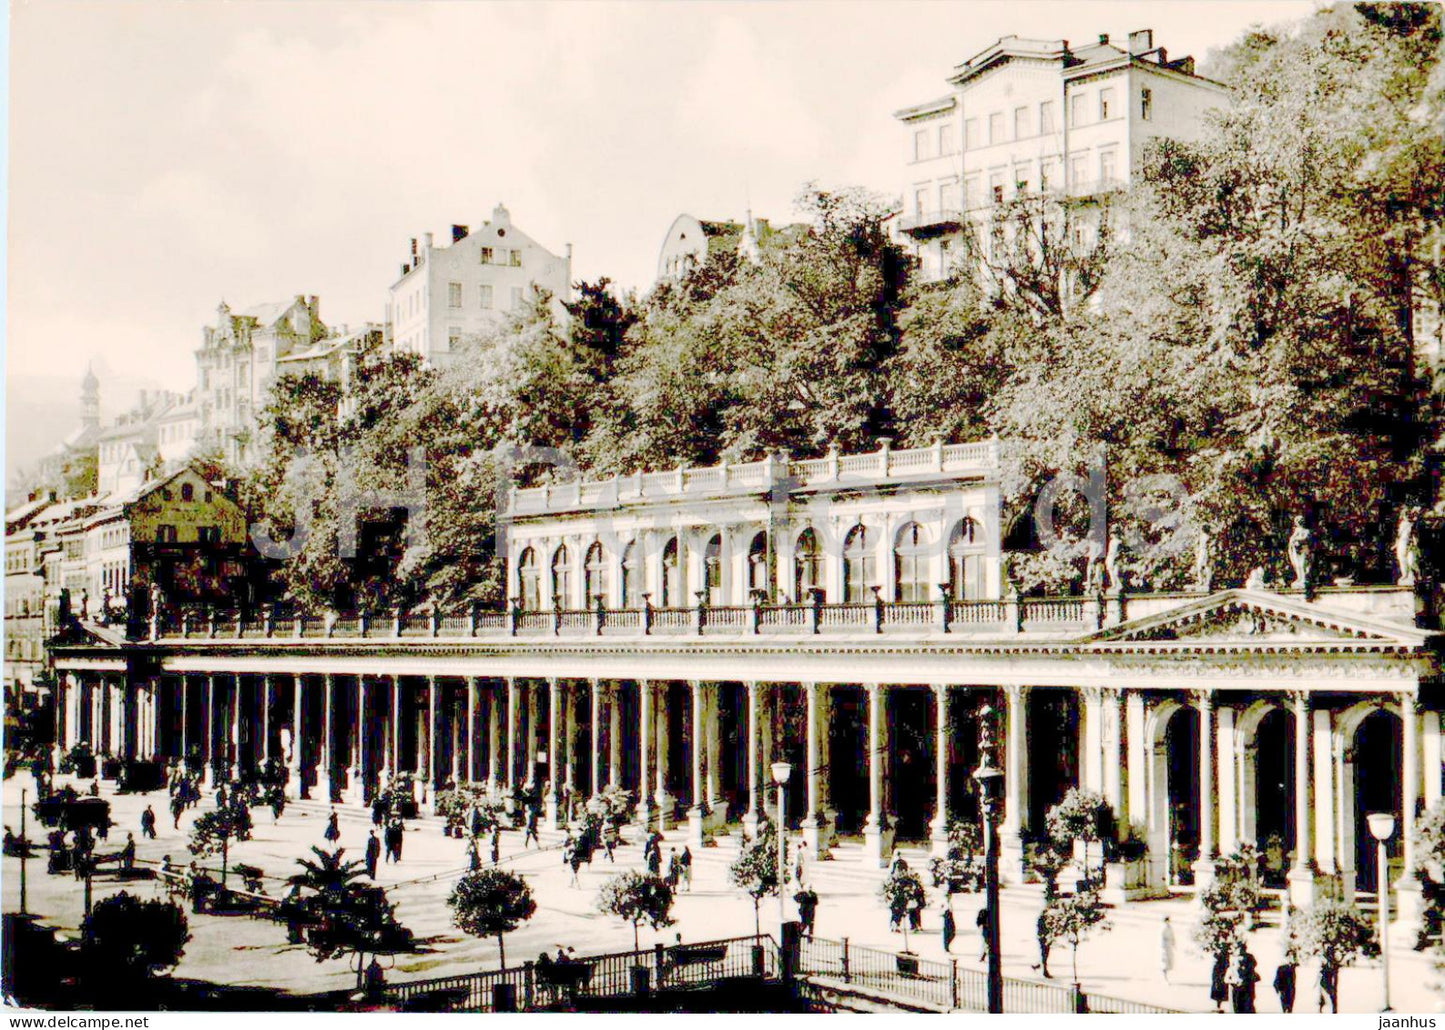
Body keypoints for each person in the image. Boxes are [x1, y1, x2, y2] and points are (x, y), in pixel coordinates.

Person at [1209, 948, 1231, 1013]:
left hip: (1220, 978)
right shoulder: (1221, 961)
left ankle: (1218, 1006)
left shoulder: (1223, 960)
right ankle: (1218, 1006)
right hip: (1218, 978)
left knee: (1219, 993)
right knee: (1218, 993)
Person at [1159, 916, 1175, 983]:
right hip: (1165, 946)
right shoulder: (1163, 928)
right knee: (1165, 960)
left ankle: (1166, 975)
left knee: (1170, 960)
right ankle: (1164, 977)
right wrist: (1163, 946)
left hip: (1169, 946)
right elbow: (1161, 937)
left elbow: (1172, 936)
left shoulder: (1170, 927)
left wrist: (1173, 943)